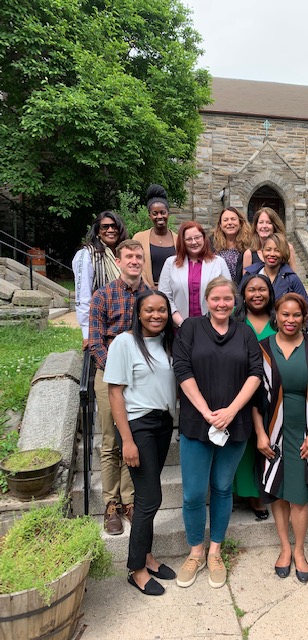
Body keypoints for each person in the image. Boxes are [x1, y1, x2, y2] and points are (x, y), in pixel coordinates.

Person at [172, 276, 263, 589]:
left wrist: (231, 411)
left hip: (234, 424)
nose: (222, 304)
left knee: (223, 488)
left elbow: (256, 374)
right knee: (193, 493)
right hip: (198, 423)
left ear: (234, 301)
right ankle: (195, 551)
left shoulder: (245, 333)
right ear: (206, 301)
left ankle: (215, 552)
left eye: (228, 299)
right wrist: (205, 411)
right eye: (216, 299)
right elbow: (182, 369)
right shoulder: (191, 329)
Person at [253, 293, 308, 583]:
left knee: (299, 496)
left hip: (304, 431)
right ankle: (285, 548)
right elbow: (253, 396)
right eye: (285, 315)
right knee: (276, 492)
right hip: (272, 431)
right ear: (276, 316)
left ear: (305, 318)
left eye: (296, 315)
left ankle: (300, 551)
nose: (290, 320)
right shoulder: (262, 349)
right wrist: (260, 434)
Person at [104, 290, 177, 596]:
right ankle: (136, 569)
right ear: (138, 312)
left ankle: (147, 556)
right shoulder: (124, 342)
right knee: (148, 500)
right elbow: (114, 393)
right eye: (149, 310)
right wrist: (127, 441)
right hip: (139, 425)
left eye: (162, 310)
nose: (156, 315)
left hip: (162, 424)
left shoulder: (169, 343)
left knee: (151, 497)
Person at [89, 240, 150, 535]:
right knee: (112, 440)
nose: (135, 261)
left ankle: (130, 499)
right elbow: (95, 342)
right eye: (129, 256)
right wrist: (112, 368)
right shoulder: (103, 295)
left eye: (139, 256)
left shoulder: (149, 296)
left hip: (139, 376)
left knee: (133, 436)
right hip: (108, 375)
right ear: (119, 259)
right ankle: (111, 504)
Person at [232, 273, 277, 520]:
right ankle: (250, 493)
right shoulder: (234, 320)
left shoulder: (278, 319)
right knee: (246, 443)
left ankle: (268, 487)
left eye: (262, 289)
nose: (257, 294)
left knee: (268, 441)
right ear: (243, 294)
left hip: (274, 389)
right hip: (241, 388)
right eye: (251, 290)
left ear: (270, 293)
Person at [242, 232, 308, 338]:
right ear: (262, 252)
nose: (272, 254)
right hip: (251, 331)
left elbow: (306, 310)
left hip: (281, 334)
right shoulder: (251, 275)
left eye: (277, 250)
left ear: (283, 253)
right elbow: (238, 304)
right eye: (268, 249)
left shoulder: (292, 279)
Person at [158, 221, 231, 329]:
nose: (194, 242)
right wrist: (181, 323)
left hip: (213, 327)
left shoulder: (218, 262)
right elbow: (164, 296)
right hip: (179, 327)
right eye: (188, 239)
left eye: (197, 237)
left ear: (204, 238)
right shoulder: (170, 263)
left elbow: (228, 293)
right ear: (182, 241)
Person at [72, 211, 128, 349]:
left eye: (114, 226)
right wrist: (87, 334)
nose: (110, 230)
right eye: (105, 227)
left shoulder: (125, 254)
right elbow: (83, 297)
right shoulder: (86, 255)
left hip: (125, 325)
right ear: (97, 231)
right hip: (101, 326)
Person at [132, 184, 178, 288]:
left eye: (163, 212)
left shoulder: (179, 240)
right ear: (149, 216)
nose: (159, 216)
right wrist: (151, 289)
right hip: (145, 292)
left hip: (172, 293)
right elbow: (134, 265)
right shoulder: (139, 238)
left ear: (168, 214)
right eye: (155, 213)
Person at [243, 207, 297, 272]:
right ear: (256, 227)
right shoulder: (249, 254)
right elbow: (246, 281)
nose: (264, 226)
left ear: (275, 226)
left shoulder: (288, 248)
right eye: (261, 222)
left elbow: (294, 278)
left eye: (269, 223)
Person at [210, 207, 251, 284]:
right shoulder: (211, 244)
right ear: (220, 225)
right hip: (219, 289)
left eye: (233, 219)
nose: (229, 223)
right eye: (225, 220)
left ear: (240, 222)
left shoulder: (249, 243)